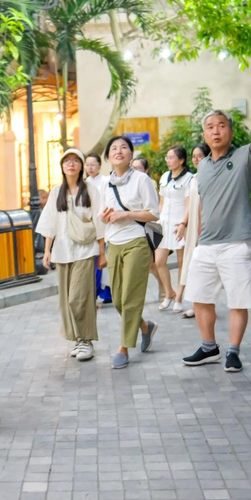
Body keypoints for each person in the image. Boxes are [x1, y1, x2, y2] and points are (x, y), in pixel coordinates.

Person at [182, 100, 251, 372]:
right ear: (204, 134)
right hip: (206, 245)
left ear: (230, 132)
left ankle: (233, 351)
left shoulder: (243, 156)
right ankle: (208, 346)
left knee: (237, 300)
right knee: (199, 297)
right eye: (210, 127)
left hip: (236, 244)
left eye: (222, 126)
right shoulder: (203, 167)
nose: (216, 131)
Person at [37, 148, 106, 361]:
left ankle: (86, 340)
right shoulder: (57, 191)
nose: (71, 164)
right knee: (67, 300)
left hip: (85, 251)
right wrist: (47, 251)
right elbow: (50, 222)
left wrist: (102, 252)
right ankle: (78, 339)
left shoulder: (91, 190)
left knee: (80, 297)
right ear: (62, 166)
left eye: (76, 160)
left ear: (82, 166)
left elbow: (99, 220)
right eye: (67, 161)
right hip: (62, 251)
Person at [100, 136, 160, 369]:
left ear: (131, 154)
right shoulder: (105, 184)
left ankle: (123, 347)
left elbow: (153, 213)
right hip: (113, 243)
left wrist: (125, 214)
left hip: (137, 241)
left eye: (124, 147)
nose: (119, 151)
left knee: (131, 297)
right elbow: (101, 215)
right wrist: (105, 218)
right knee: (117, 299)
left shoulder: (142, 180)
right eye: (114, 148)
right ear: (108, 157)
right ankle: (145, 327)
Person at [154, 146, 194, 313]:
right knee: (159, 261)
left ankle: (179, 298)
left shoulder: (189, 179)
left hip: (180, 225)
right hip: (165, 223)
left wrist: (184, 225)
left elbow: (188, 205)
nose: (168, 161)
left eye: (171, 157)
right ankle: (169, 292)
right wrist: (158, 220)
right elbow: (161, 202)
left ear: (181, 160)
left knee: (181, 263)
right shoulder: (165, 176)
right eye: (167, 157)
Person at [175, 144, 210, 319]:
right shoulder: (194, 178)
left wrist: (202, 230)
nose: (195, 159)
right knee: (192, 266)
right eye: (194, 156)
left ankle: (203, 305)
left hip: (205, 228)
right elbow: (190, 205)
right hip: (193, 229)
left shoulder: (211, 176)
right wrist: (184, 223)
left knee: (202, 268)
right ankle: (197, 305)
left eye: (200, 156)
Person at [131, 156, 167, 303]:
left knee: (153, 264)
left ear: (146, 170)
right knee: (150, 265)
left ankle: (164, 287)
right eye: (132, 168)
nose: (134, 171)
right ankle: (163, 286)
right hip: (136, 228)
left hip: (148, 227)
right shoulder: (131, 183)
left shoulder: (149, 182)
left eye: (138, 168)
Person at [85, 153, 112, 304]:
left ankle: (107, 293)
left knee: (105, 259)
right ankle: (94, 291)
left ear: (99, 166)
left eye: (93, 164)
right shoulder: (84, 184)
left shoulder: (106, 182)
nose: (90, 167)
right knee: (94, 259)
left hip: (104, 224)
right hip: (90, 226)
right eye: (87, 164)